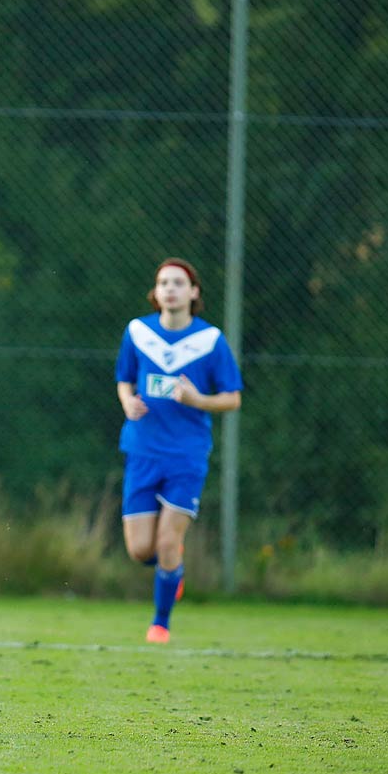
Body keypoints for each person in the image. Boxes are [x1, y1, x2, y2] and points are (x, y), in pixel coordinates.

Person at [114, 257, 243, 644]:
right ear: (155, 293)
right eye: (163, 283)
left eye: (178, 282)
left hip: (186, 455)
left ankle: (160, 623)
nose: (170, 288)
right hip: (142, 450)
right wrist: (127, 402)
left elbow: (232, 398)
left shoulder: (210, 341)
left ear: (193, 292)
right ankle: (172, 571)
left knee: (168, 543)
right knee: (141, 550)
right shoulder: (138, 333)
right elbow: (124, 379)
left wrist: (197, 399)